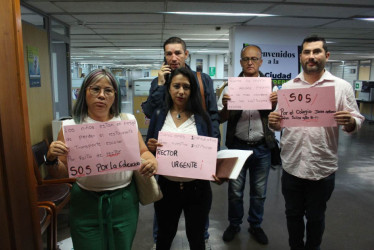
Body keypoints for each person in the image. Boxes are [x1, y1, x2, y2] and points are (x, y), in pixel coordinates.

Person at [268, 35, 364, 250]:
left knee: (315, 217)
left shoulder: (341, 87)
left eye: (316, 51)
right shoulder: (288, 87)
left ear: (326, 56)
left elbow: (357, 119)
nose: (311, 56)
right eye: (307, 52)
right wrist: (273, 123)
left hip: (322, 168)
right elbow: (278, 123)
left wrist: (349, 121)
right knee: (292, 215)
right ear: (300, 56)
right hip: (292, 166)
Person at [45, 68, 158, 250]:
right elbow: (61, 172)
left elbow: (143, 151)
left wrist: (151, 160)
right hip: (85, 202)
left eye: (108, 90)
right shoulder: (70, 127)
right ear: (84, 92)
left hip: (124, 201)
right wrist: (51, 158)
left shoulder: (126, 121)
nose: (101, 95)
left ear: (115, 95)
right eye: (95, 89)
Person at [141, 36, 219, 248]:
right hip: (167, 182)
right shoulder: (159, 82)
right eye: (168, 53)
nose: (173, 57)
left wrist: (213, 154)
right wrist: (159, 84)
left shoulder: (202, 82)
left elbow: (212, 117)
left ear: (186, 54)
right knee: (164, 233)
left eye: (177, 53)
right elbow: (151, 113)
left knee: (197, 234)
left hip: (197, 182)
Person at [218, 45, 278, 244]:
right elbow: (220, 118)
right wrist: (226, 105)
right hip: (237, 146)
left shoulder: (271, 88)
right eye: (245, 59)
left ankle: (255, 225)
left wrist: (276, 104)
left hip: (262, 147)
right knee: (235, 192)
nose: (250, 62)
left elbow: (280, 119)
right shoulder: (229, 87)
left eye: (254, 58)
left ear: (261, 61)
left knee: (259, 193)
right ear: (241, 61)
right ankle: (234, 224)